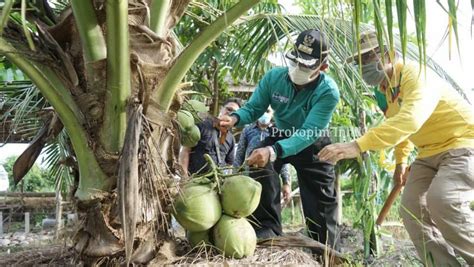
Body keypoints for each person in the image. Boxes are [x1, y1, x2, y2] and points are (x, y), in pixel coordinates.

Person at [318, 31, 474, 266]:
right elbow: (399, 125)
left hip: (463, 144)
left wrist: (358, 145)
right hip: (428, 152)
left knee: (443, 200)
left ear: (389, 53)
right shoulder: (384, 91)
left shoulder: (415, 74)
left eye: (367, 59)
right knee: (411, 210)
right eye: (359, 62)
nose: (363, 67)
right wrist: (401, 161)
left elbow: (411, 119)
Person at [220, 29, 340, 247]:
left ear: (323, 67)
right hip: (280, 133)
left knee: (321, 199)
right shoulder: (274, 78)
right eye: (295, 61)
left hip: (313, 141)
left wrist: (273, 151)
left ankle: (325, 247)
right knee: (258, 166)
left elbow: (308, 132)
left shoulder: (328, 91)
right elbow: (255, 107)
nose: (298, 68)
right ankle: (268, 228)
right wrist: (235, 119)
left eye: (306, 65)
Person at [233, 109, 292, 239]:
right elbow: (239, 156)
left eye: (268, 111)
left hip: (271, 177)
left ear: (273, 113)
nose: (264, 114)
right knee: (250, 207)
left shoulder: (278, 130)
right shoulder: (248, 130)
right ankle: (253, 234)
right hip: (250, 177)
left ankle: (272, 232)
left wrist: (287, 182)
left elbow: (284, 157)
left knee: (271, 204)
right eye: (263, 110)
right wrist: (234, 176)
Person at [179, 98, 242, 176]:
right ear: (221, 108)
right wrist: (184, 177)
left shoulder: (230, 138)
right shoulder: (201, 125)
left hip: (215, 183)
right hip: (194, 181)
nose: (230, 113)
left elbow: (229, 164)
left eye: (234, 112)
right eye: (228, 109)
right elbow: (186, 151)